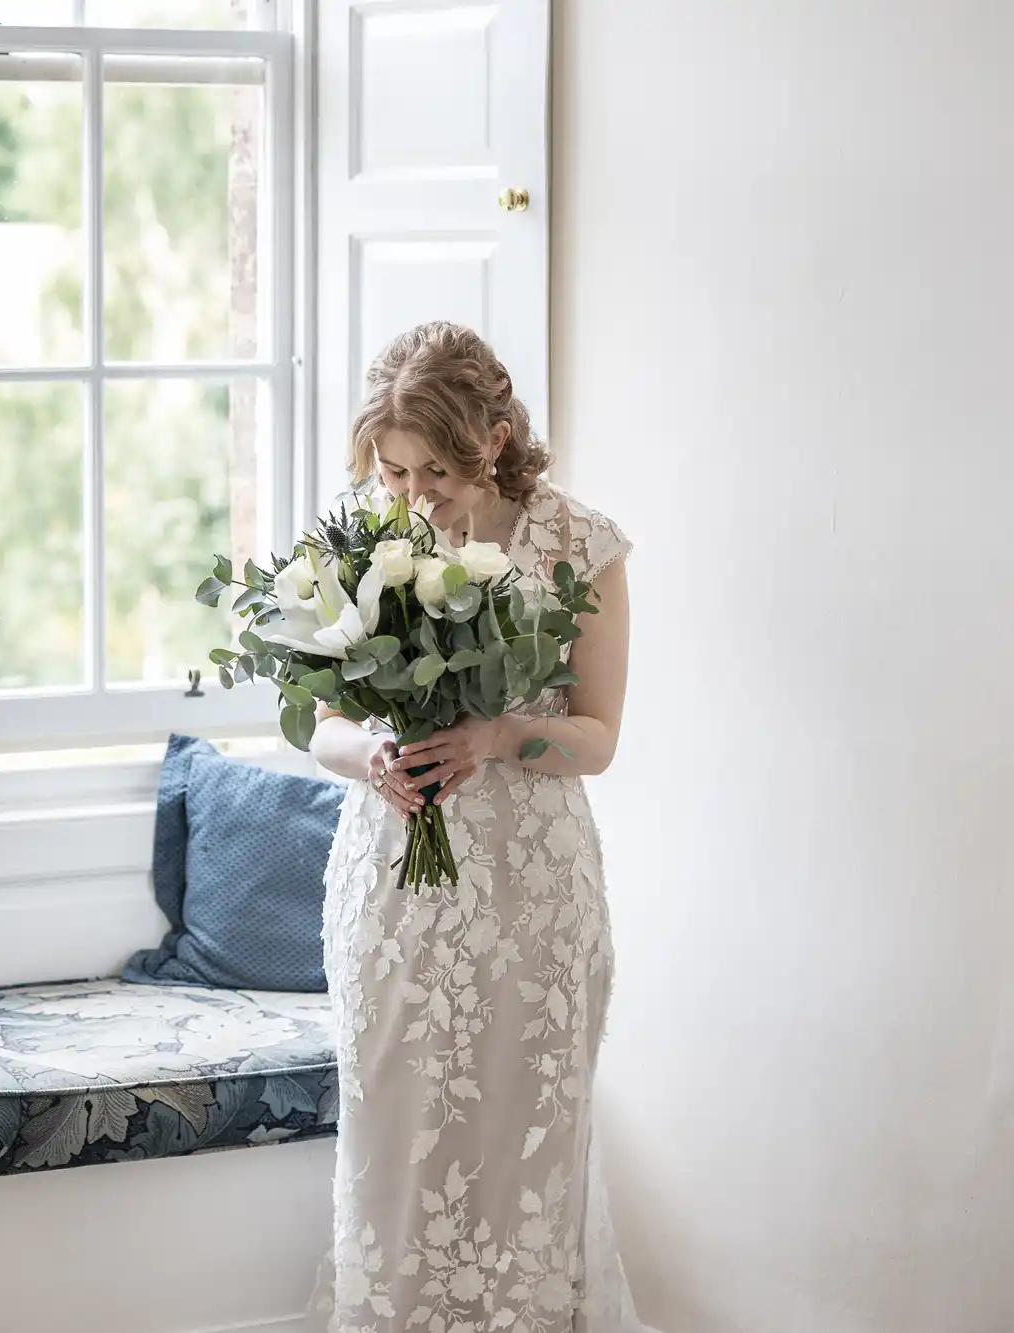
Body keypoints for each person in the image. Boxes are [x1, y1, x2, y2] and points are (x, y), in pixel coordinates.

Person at [306, 323, 656, 1332]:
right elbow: (321, 724)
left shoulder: (579, 546)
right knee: (392, 1152)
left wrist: (500, 735)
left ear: (494, 438)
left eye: (438, 471)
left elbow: (594, 739)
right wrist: (367, 759)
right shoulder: (365, 536)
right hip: (392, 886)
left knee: (523, 1152)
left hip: (528, 892)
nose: (414, 497)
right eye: (395, 471)